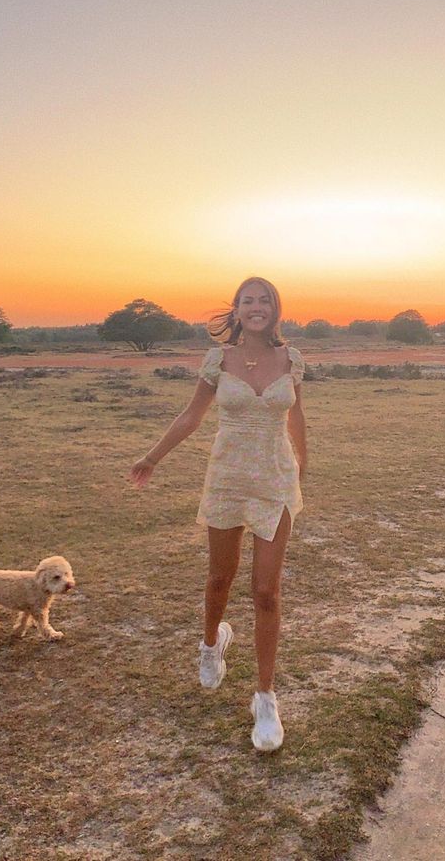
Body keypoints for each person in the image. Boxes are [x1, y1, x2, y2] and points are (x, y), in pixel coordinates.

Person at [130, 276, 307, 752]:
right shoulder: (218, 360)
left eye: (264, 299)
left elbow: (296, 417)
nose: (256, 307)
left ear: (275, 308)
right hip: (227, 478)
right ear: (236, 309)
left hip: (274, 480)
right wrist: (152, 456)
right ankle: (211, 645)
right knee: (219, 579)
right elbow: (191, 416)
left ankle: (265, 699)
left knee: (267, 591)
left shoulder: (291, 359)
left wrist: (302, 466)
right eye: (248, 300)